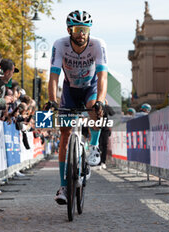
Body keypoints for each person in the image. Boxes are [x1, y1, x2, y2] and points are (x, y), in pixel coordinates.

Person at [45, 10, 108, 205]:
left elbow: (102, 76)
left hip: (90, 87)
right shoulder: (60, 44)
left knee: (95, 108)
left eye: (85, 29)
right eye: (77, 29)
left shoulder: (98, 44)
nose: (81, 33)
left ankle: (94, 148)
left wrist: (101, 100)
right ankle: (64, 187)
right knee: (65, 134)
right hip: (70, 90)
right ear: (69, 30)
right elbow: (54, 76)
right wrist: (52, 99)